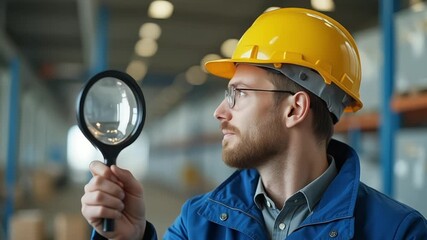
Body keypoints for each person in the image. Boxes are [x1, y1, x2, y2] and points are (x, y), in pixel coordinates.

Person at [81, 7, 427, 239]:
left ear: (295, 109)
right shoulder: (199, 222)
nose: (219, 111)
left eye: (239, 93)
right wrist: (131, 237)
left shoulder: (398, 231)